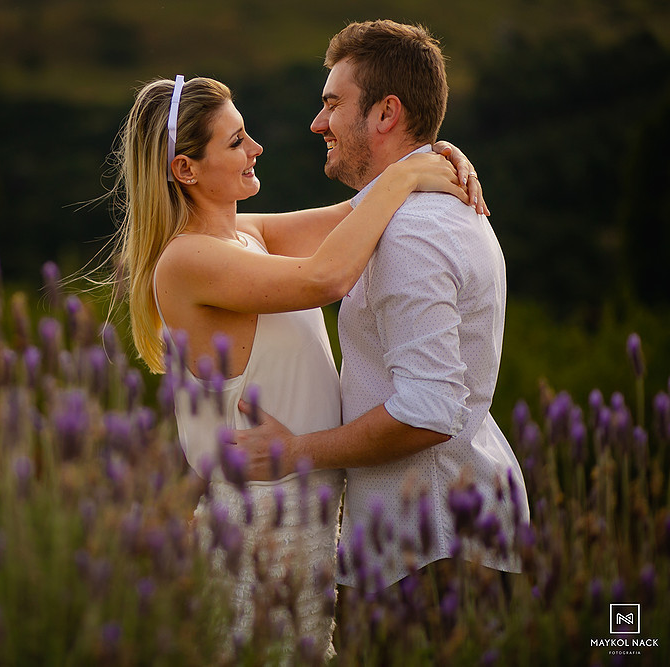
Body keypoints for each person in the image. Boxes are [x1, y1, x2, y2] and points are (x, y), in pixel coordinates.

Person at [107, 72, 483, 659]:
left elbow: (353, 213)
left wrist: (430, 157)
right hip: (257, 533)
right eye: (235, 142)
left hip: (302, 530)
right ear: (186, 169)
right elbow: (325, 277)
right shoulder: (185, 261)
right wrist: (409, 174)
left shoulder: (247, 237)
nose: (256, 149)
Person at [233, 20, 531, 592]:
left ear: (385, 114)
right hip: (433, 541)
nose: (318, 122)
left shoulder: (412, 235)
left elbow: (427, 410)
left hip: (434, 551)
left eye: (332, 104)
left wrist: (294, 452)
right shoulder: (394, 215)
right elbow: (248, 238)